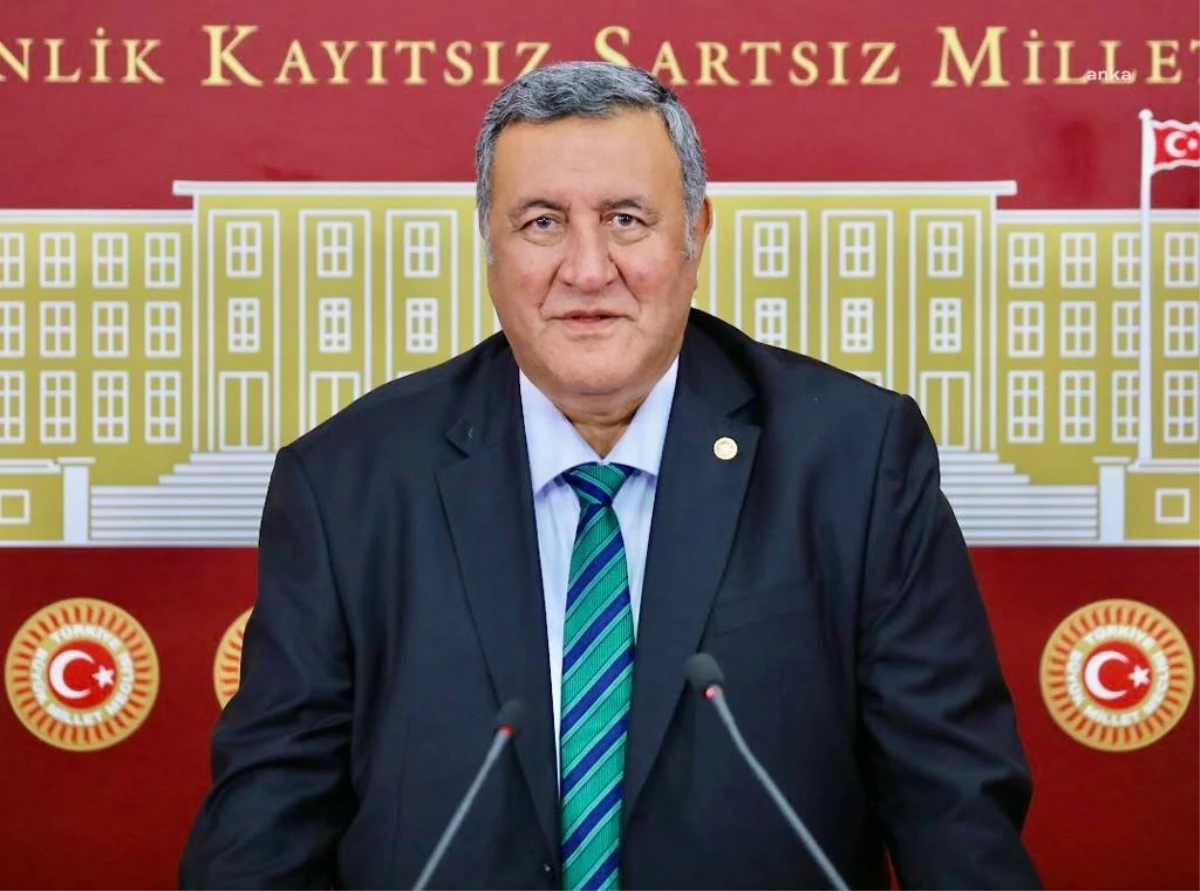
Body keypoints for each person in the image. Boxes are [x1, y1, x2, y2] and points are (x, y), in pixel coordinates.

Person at [179, 61, 1043, 891]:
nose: (588, 270)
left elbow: (954, 812)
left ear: (696, 234)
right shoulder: (347, 483)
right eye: (542, 222)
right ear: (490, 246)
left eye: (627, 219)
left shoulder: (853, 461)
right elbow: (264, 830)